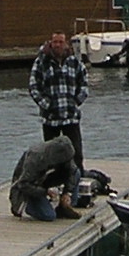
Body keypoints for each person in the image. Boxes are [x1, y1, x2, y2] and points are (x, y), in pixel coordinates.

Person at [29, 30, 88, 170]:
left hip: (70, 116)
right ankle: (52, 183)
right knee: (51, 155)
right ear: (51, 43)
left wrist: (77, 101)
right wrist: (45, 104)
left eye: (61, 42)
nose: (57, 45)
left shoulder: (74, 62)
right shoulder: (41, 62)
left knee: (76, 153)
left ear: (65, 44)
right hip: (51, 118)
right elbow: (33, 87)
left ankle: (76, 181)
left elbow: (84, 82)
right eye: (55, 42)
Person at [8, 135, 82, 219]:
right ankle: (25, 208)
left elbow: (72, 170)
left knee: (76, 173)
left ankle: (64, 207)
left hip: (43, 179)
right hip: (26, 188)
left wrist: (67, 192)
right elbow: (23, 184)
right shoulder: (35, 158)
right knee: (49, 216)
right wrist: (45, 192)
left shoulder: (66, 153)